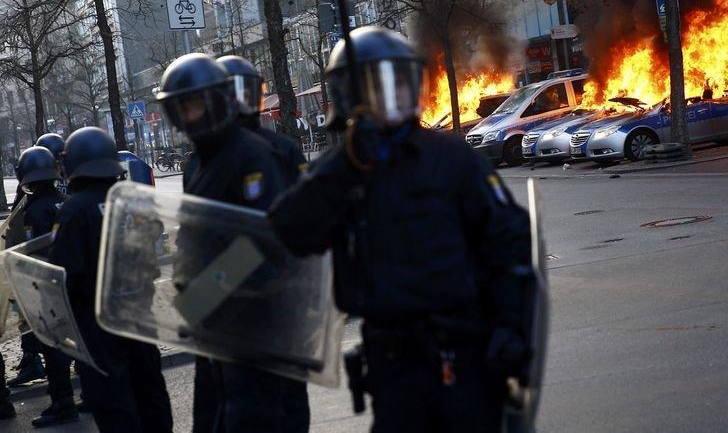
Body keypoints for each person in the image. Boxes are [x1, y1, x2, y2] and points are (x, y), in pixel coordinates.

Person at [269, 27, 535, 433]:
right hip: (394, 367)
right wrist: (346, 166)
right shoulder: (341, 170)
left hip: (465, 355)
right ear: (350, 97)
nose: (392, 98)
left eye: (400, 83)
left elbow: (509, 241)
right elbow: (291, 230)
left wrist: (511, 326)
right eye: (378, 88)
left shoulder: (450, 157)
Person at [157, 53, 309, 433]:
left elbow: (266, 245)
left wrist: (204, 291)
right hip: (219, 329)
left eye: (196, 104)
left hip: (260, 328)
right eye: (182, 108)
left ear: (219, 100)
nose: (191, 116)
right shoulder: (198, 163)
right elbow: (196, 236)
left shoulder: (254, 155)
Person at [49, 127, 173, 433]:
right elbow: (153, 251)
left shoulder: (74, 211)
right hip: (138, 317)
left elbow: (64, 275)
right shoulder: (131, 201)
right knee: (150, 392)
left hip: (98, 326)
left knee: (114, 405)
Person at [11, 147, 78, 428]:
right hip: (71, 283)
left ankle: (63, 404)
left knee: (53, 349)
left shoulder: (34, 209)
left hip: (47, 287)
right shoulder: (66, 200)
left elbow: (33, 250)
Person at [216, 55, 306, 181]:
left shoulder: (284, 149)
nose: (241, 104)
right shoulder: (206, 158)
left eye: (248, 96)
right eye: (234, 97)